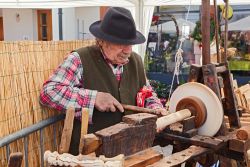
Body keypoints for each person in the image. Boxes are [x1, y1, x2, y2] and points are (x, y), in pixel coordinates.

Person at [39, 7, 167, 155]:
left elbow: (146, 93)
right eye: (121, 43)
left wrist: (155, 108)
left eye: (130, 43)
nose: (128, 50)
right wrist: (94, 99)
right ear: (102, 41)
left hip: (131, 151)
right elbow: (49, 92)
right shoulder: (79, 59)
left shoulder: (136, 61)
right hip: (89, 157)